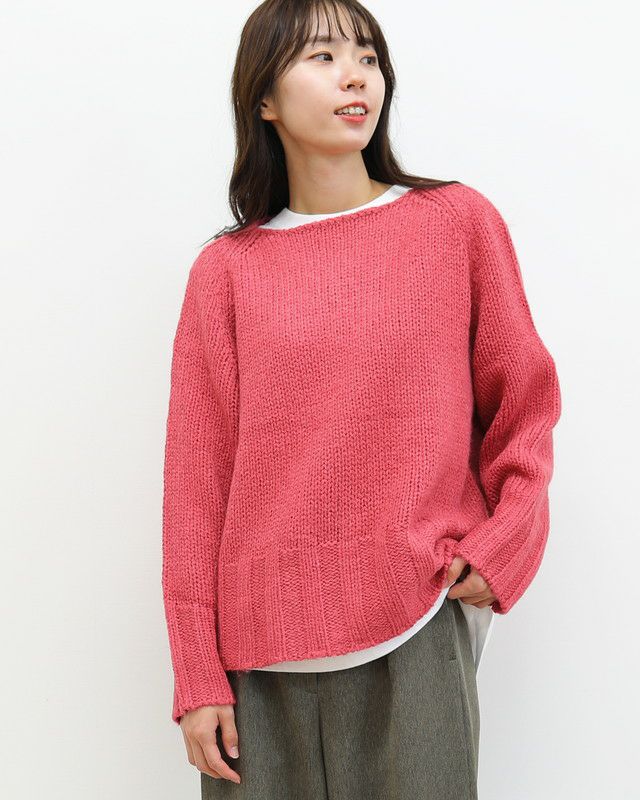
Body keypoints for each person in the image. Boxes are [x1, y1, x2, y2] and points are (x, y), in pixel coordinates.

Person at [161, 1, 562, 797]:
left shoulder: (455, 224)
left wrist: (504, 543)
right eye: (323, 57)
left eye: (368, 57)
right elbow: (195, 485)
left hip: (414, 627)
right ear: (263, 98)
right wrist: (196, 671)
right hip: (256, 663)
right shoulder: (227, 271)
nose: (356, 76)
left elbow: (525, 402)